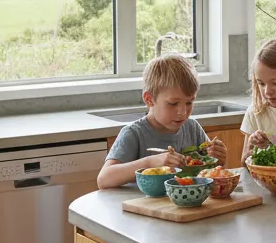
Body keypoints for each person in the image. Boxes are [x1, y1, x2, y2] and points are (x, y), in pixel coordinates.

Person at [97, 54, 226, 189]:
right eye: (173, 103)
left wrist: (219, 160)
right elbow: (104, 179)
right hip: (144, 207)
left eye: (189, 102)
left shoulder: (192, 128)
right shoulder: (134, 134)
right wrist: (150, 163)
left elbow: (208, 174)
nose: (182, 111)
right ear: (149, 99)